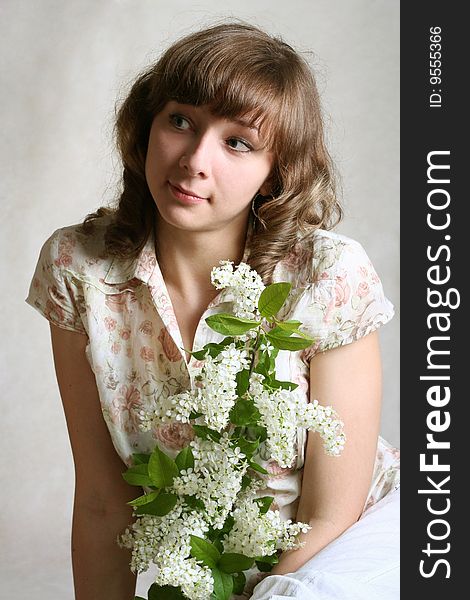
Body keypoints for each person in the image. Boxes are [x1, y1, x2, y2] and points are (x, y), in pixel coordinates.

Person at [26, 21, 400, 600]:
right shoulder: (80, 269)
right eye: (181, 121)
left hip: (361, 544)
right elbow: (103, 501)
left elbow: (332, 515)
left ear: (276, 171)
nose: (196, 160)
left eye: (238, 142)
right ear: (146, 126)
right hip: (220, 576)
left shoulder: (325, 275)